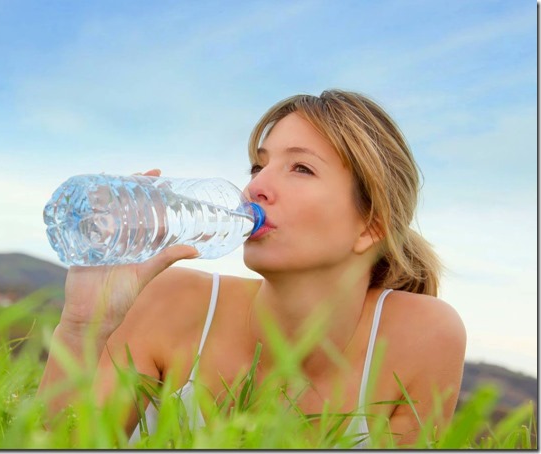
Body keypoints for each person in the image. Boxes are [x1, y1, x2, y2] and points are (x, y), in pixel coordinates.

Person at [37, 89, 467, 447]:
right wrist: (81, 328)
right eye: (259, 166)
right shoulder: (171, 301)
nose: (255, 187)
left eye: (300, 168)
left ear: (370, 226)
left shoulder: (422, 336)